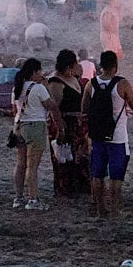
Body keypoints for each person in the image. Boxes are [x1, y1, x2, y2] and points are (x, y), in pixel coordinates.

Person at [82, 49, 133, 217]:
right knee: (116, 176)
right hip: (117, 136)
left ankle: (100, 210)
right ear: (115, 66)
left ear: (101, 66)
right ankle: (115, 210)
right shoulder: (122, 84)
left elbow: (84, 109)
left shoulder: (90, 84)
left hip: (97, 135)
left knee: (97, 174)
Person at [11, 57, 60, 212]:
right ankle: (33, 199)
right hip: (35, 126)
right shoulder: (38, 88)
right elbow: (51, 105)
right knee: (32, 166)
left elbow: (14, 110)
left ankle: (18, 197)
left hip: (19, 126)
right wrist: (47, 87)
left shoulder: (17, 88)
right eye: (39, 71)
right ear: (34, 72)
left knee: (20, 164)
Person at [49, 49, 90, 198]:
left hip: (78, 124)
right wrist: (60, 128)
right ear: (67, 67)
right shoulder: (56, 83)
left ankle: (80, 186)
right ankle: (66, 189)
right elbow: (54, 108)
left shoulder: (72, 78)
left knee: (80, 156)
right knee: (64, 157)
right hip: (65, 124)